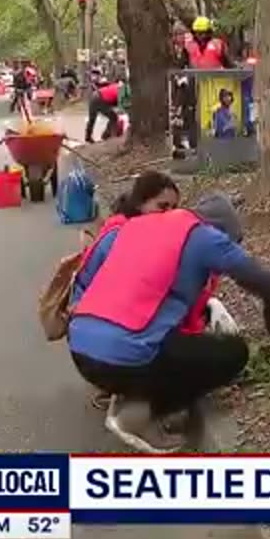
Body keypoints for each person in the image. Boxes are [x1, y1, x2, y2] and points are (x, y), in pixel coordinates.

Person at [68, 192, 270, 453]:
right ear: (223, 232)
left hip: (81, 348)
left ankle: (128, 391)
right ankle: (138, 414)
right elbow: (261, 278)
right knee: (233, 352)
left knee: (173, 343)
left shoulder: (140, 225)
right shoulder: (205, 237)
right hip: (123, 357)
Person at [85, 171, 182, 411]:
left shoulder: (125, 228)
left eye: (174, 208)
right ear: (140, 204)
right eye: (162, 206)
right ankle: (133, 400)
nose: (169, 214)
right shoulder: (122, 238)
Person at [85, 76, 122, 143]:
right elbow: (121, 106)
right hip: (101, 99)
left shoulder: (114, 86)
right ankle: (107, 136)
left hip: (94, 95)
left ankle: (88, 137)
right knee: (114, 117)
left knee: (92, 119)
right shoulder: (120, 92)